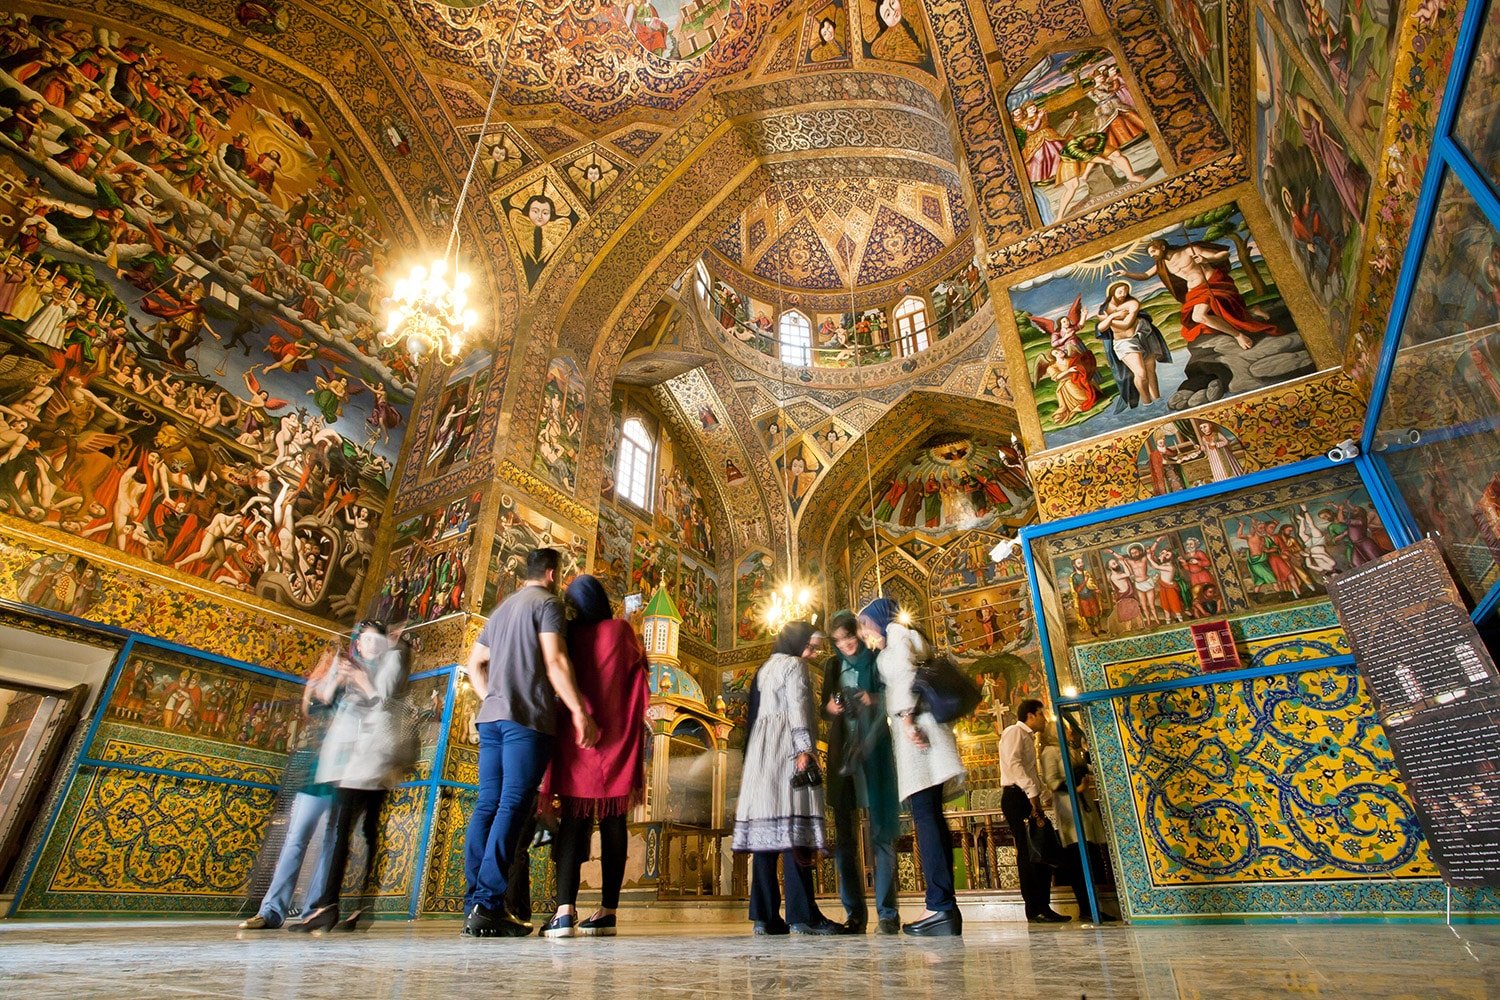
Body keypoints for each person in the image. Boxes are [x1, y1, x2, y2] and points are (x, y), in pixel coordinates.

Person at [462, 549, 599, 938]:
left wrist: (493, 697)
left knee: (487, 804)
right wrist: (578, 711)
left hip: (490, 720)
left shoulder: (502, 608)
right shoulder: (548, 603)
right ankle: (489, 904)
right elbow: (555, 660)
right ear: (553, 574)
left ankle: (474, 902)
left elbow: (475, 664)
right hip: (527, 721)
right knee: (512, 806)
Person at [539, 575, 649, 939]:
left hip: (579, 739)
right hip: (617, 739)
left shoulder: (569, 634)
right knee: (614, 823)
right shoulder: (620, 631)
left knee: (573, 822)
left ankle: (565, 911)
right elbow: (640, 673)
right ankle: (608, 911)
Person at [291, 621, 413, 932]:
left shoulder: (393, 661)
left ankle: (344, 905)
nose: (372, 644)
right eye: (366, 639)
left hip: (371, 760)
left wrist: (362, 680)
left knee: (356, 831)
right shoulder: (353, 663)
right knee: (344, 830)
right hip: (351, 762)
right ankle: (337, 905)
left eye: (378, 639)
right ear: (358, 643)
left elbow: (383, 702)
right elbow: (322, 703)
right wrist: (338, 676)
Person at [858, 598, 965, 936]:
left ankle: (940, 907)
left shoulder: (898, 635)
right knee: (931, 817)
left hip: (918, 736)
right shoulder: (906, 637)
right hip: (924, 733)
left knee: (927, 819)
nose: (863, 634)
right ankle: (941, 905)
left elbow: (905, 676)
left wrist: (905, 719)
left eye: (864, 625)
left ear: (878, 619)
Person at [733, 622, 844, 936]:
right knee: (795, 831)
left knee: (766, 838)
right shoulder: (795, 665)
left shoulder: (765, 668)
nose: (812, 653)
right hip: (786, 751)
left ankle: (764, 917)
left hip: (760, 754)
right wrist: (805, 748)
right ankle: (802, 914)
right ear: (797, 643)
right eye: (810, 646)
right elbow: (797, 707)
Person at [239, 647, 340, 929]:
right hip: (315, 772)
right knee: (296, 838)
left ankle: (314, 911)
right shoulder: (329, 687)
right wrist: (321, 681)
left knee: (330, 845)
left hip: (344, 773)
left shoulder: (360, 687)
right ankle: (271, 909)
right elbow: (312, 707)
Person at [820, 611, 901, 935]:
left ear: (856, 633)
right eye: (838, 640)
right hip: (844, 758)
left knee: (882, 835)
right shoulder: (832, 665)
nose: (845, 644)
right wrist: (831, 708)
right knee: (845, 841)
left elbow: (893, 698)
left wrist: (873, 698)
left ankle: (887, 913)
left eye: (848, 637)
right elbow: (823, 707)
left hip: (875, 753)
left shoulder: (877, 660)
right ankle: (854, 913)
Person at [1001, 698, 1070, 923]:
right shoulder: (1014, 732)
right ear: (1030, 715)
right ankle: (1035, 908)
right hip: (1017, 796)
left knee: (1039, 850)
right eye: (1042, 714)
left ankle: (1043, 905)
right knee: (1029, 852)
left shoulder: (1029, 737)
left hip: (1026, 795)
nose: (1045, 719)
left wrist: (1040, 792)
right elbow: (1014, 765)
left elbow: (1028, 769)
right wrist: (1032, 792)